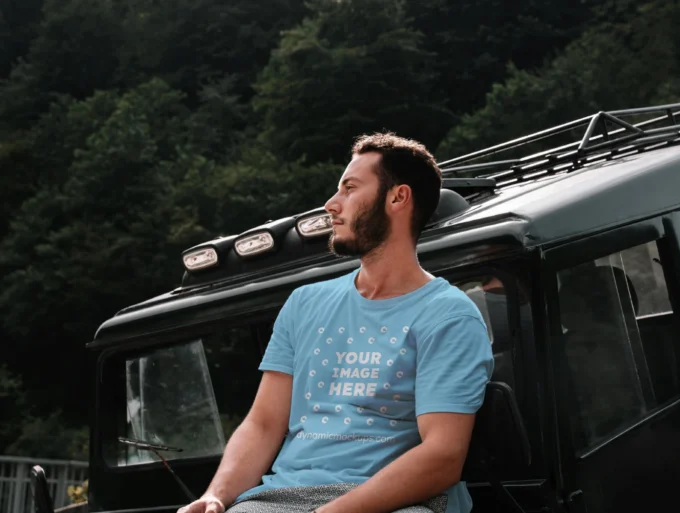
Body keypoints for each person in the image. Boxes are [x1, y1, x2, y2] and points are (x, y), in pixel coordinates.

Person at [178, 133, 494, 513]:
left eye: (350, 188)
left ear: (398, 198)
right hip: (281, 499)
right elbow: (263, 424)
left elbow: (442, 457)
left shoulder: (449, 315)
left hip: (397, 502)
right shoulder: (304, 303)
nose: (331, 204)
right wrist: (218, 495)